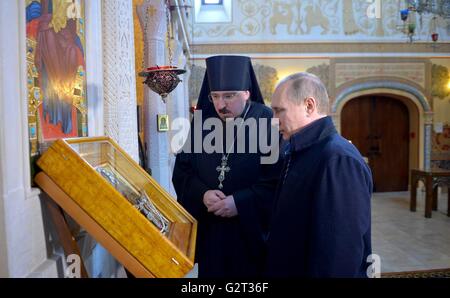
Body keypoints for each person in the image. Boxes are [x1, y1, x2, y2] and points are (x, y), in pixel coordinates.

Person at [172, 55, 281, 277]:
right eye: (215, 97)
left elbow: (277, 179)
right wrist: (202, 194)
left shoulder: (267, 120)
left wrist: (239, 202)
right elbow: (183, 171)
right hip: (210, 230)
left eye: (229, 96)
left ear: (247, 93)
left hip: (250, 233)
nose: (221, 105)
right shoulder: (203, 121)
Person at [266, 72, 373, 277]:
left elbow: (340, 254)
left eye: (279, 111)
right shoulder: (298, 149)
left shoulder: (338, 159)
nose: (274, 120)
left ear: (309, 106)